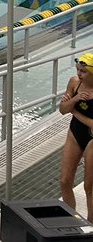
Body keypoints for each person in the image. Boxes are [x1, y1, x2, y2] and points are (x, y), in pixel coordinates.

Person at [60, 52, 93, 217]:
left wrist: (72, 109)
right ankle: (70, 220)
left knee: (89, 187)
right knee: (65, 181)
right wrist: (75, 99)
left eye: (83, 71)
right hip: (75, 132)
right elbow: (62, 110)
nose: (79, 73)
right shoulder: (74, 83)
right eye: (78, 69)